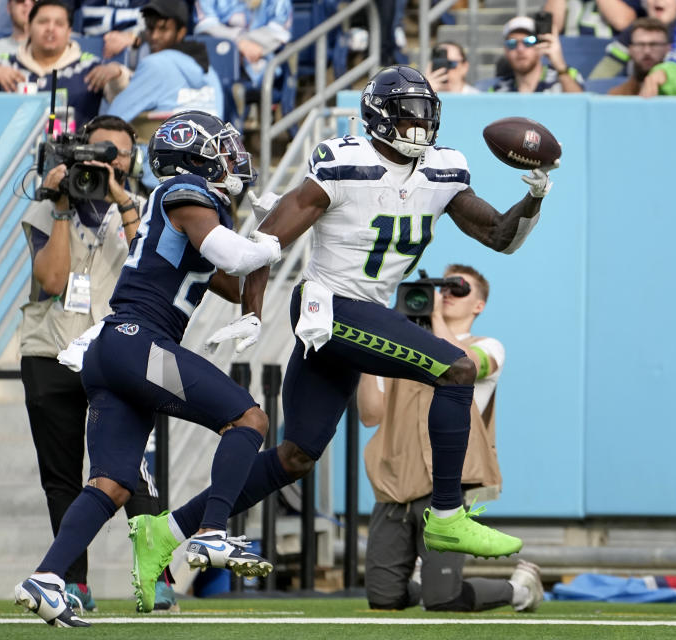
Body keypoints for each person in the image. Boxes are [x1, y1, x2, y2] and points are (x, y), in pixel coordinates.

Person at [124, 66, 560, 596]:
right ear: (379, 115)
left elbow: (498, 235)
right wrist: (254, 311)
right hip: (326, 308)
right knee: (458, 368)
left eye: (426, 112)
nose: (419, 123)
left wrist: (535, 195)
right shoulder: (344, 161)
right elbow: (267, 237)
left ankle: (163, 531)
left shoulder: (445, 169)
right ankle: (446, 515)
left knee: (296, 456)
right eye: (407, 112)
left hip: (361, 314)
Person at [14, 110, 281, 627]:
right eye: (222, 149)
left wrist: (260, 269)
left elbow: (236, 280)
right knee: (249, 419)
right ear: (194, 157)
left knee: (112, 482)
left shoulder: (192, 215)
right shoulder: (183, 191)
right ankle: (211, 530)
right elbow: (235, 255)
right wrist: (270, 239)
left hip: (114, 350)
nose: (233, 159)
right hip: (138, 342)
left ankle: (46, 578)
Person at [17, 114, 180, 614]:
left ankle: (155, 576)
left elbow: (154, 268)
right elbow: (51, 279)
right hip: (51, 350)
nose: (106, 163)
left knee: (131, 468)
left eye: (118, 154)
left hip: (116, 351)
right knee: (62, 478)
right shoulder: (50, 205)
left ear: (131, 160)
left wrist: (122, 200)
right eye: (97, 152)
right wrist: (63, 205)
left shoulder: (146, 208)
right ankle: (72, 582)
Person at [357, 264, 544, 613]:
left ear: (479, 305)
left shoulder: (489, 347)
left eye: (458, 289)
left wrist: (432, 322)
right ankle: (423, 580)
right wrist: (371, 351)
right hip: (394, 484)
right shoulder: (404, 353)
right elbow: (370, 415)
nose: (445, 295)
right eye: (441, 290)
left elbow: (459, 364)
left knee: (443, 600)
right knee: (382, 599)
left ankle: (519, 589)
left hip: (444, 489)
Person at [0, 0, 131, 125]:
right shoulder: (2, 66)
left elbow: (128, 98)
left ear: (69, 32)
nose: (51, 29)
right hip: (14, 163)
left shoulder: (91, 67)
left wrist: (118, 74)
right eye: (43, 22)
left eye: (59, 24)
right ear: (28, 28)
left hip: (74, 166)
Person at [107, 0, 223, 123]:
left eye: (163, 29)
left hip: (167, 142)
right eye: (150, 28)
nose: (154, 36)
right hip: (209, 141)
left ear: (181, 32)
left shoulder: (155, 65)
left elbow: (112, 120)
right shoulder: (210, 71)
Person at [484, 16, 584, 93]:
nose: (520, 49)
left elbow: (581, 110)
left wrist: (560, 67)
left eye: (529, 41)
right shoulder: (498, 92)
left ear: (540, 44)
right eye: (512, 43)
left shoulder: (566, 75)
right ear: (505, 50)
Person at [589, 0, 676, 79]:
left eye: (654, 44)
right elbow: (603, 74)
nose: (658, 1)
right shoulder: (633, 30)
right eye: (640, 44)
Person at [604, 17, 670, 94]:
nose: (647, 51)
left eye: (654, 44)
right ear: (630, 49)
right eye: (640, 45)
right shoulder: (617, 96)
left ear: (667, 49)